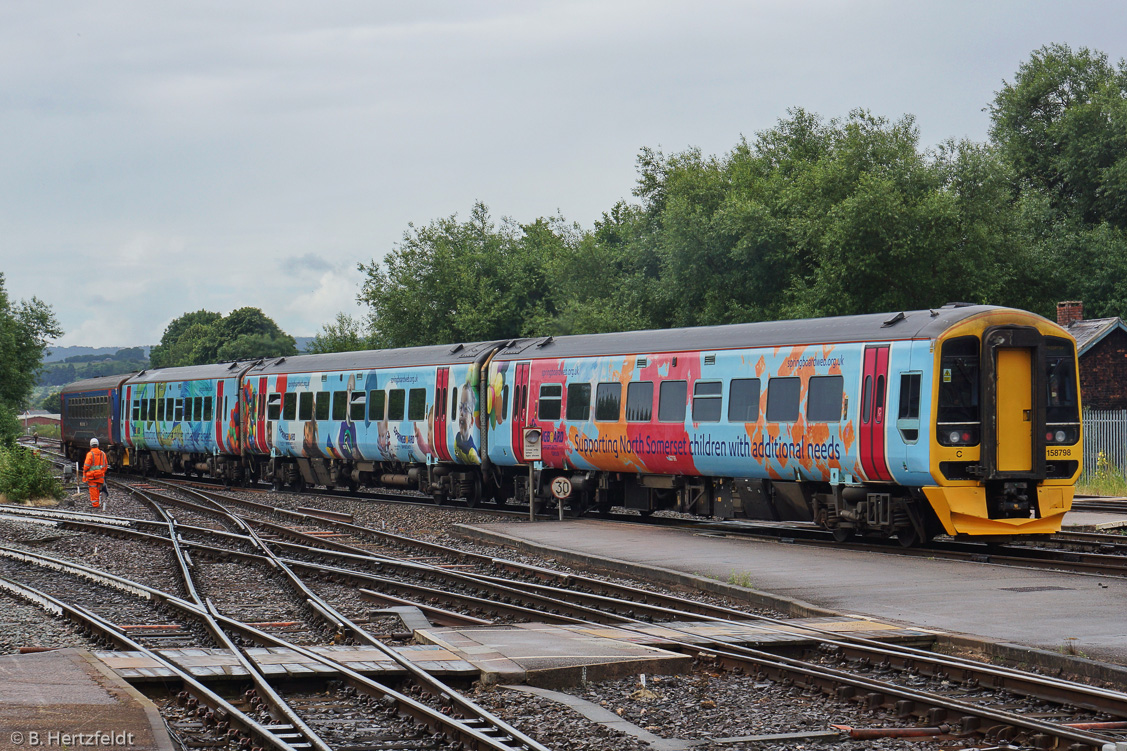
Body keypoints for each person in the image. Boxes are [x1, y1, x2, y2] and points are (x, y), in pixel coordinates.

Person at [83, 438, 108, 509]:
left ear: (90, 445)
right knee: (98, 489)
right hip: (100, 476)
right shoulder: (103, 454)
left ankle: (95, 505)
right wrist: (101, 472)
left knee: (93, 491)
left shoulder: (90, 454)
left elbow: (86, 466)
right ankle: (98, 503)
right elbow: (105, 466)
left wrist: (86, 472)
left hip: (92, 477)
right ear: (98, 445)